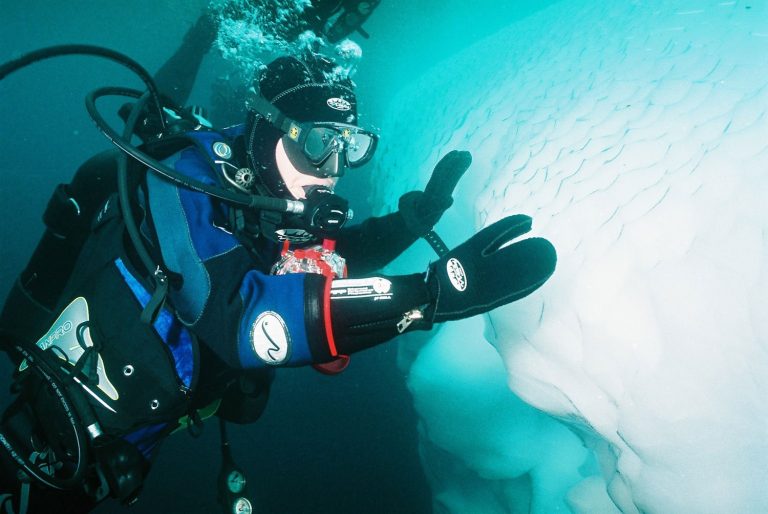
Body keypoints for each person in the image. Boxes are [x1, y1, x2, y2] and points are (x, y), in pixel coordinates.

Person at [0, 41, 556, 514]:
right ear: (269, 128)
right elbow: (239, 316)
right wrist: (425, 297)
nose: (333, 169)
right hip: (56, 432)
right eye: (318, 143)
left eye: (349, 146)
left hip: (140, 433)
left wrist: (417, 218)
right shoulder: (182, 183)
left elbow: (330, 261)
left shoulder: (272, 192)